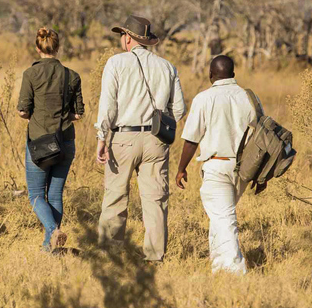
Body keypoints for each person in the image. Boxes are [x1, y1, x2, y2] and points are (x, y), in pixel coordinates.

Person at [95, 15, 186, 263]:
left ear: (127, 38)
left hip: (123, 137)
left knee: (115, 197)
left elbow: (107, 107)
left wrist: (101, 137)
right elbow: (178, 110)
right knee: (155, 199)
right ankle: (154, 257)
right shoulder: (167, 66)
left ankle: (110, 257)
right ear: (146, 41)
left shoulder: (115, 63)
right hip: (156, 140)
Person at [175, 55, 261, 275]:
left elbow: (192, 139)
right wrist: (262, 175)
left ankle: (236, 270)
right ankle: (218, 267)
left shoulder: (204, 98)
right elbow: (263, 139)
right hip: (244, 168)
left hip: (217, 166)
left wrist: (181, 168)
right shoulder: (249, 97)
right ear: (233, 74)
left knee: (224, 218)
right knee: (220, 216)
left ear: (210, 75)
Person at [17, 28, 85, 252]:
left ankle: (53, 232)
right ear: (58, 48)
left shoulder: (30, 74)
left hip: (39, 142)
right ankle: (49, 246)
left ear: (38, 48)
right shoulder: (72, 75)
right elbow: (78, 113)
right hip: (65, 140)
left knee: (36, 195)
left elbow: (23, 111)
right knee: (55, 194)